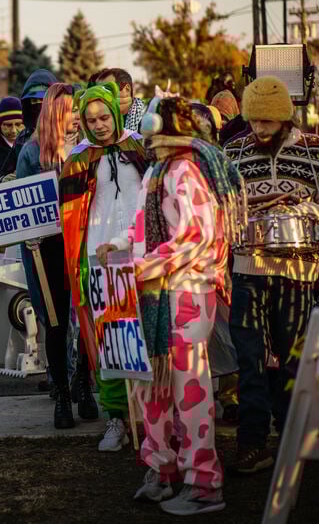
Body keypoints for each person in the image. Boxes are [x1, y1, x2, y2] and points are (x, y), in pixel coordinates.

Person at [100, 96, 244, 514]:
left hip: (185, 293)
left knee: (190, 389)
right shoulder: (160, 171)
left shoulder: (189, 172)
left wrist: (144, 265)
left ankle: (203, 482)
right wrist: (122, 244)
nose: (148, 142)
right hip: (155, 293)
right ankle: (162, 468)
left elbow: (196, 238)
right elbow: (141, 223)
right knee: (153, 387)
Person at [222, 76, 319, 474]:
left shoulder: (314, 152)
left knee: (294, 362)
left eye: (267, 122)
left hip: (300, 272)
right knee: (251, 360)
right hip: (247, 270)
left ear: (284, 118)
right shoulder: (233, 151)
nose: (259, 129)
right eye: (254, 120)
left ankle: (293, 438)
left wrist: (306, 213)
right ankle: (252, 443)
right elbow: (222, 207)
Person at [60, 82, 149, 452]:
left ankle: (150, 415)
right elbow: (70, 215)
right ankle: (116, 417)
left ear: (115, 113)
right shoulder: (78, 158)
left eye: (104, 117)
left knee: (146, 337)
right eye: (91, 119)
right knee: (110, 342)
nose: (99, 125)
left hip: (141, 257)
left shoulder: (139, 148)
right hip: (98, 259)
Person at [15, 83, 87, 429]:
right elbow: (22, 204)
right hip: (48, 248)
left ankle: (84, 385)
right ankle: (62, 393)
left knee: (86, 317)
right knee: (57, 323)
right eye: (69, 110)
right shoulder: (32, 153)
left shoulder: (89, 149)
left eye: (77, 110)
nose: (75, 116)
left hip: (84, 243)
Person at [0, 69, 59, 179]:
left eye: (42, 101)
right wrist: (5, 179)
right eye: (33, 101)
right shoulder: (22, 139)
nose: (38, 106)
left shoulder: (71, 132)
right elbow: (4, 173)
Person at [91, 68, 146, 134]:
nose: (102, 97)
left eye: (108, 90)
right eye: (99, 92)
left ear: (127, 89)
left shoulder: (145, 118)